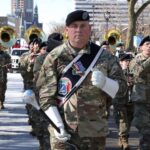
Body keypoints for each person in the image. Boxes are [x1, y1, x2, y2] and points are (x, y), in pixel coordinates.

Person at [36, 10, 127, 150]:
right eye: (74, 26)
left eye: (83, 25)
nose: (78, 29)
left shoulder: (105, 57)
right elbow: (45, 96)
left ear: (89, 29)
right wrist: (57, 125)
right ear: (67, 30)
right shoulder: (55, 57)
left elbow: (122, 91)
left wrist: (106, 83)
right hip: (62, 130)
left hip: (94, 131)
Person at [129, 35, 150, 150]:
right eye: (147, 44)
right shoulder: (135, 60)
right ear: (141, 47)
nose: (149, 47)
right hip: (142, 101)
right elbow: (138, 72)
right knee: (145, 131)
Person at [112, 53, 134, 150]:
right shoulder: (115, 72)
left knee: (129, 120)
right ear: (120, 62)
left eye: (129, 61)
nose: (128, 63)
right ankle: (124, 139)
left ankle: (122, 137)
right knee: (121, 120)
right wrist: (125, 81)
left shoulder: (133, 71)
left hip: (131, 99)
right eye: (125, 61)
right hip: (119, 99)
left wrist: (133, 81)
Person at [0, 44, 11, 109]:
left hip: (3, 76)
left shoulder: (6, 55)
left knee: (2, 90)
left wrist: (8, 66)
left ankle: (1, 102)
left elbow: (10, 63)